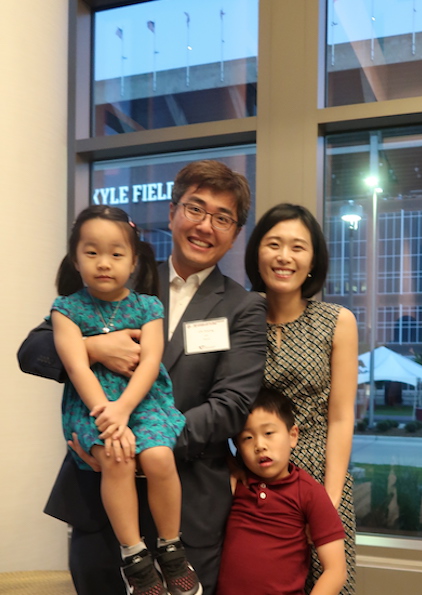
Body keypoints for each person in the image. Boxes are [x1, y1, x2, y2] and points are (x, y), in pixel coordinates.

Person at [17, 160, 267, 595]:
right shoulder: (121, 270)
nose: (205, 225)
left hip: (186, 503)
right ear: (172, 212)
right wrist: (94, 348)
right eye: (195, 208)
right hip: (98, 495)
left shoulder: (243, 309)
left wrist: (143, 444)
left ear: (235, 231)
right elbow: (34, 350)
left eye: (222, 217)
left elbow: (230, 407)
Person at [50, 205, 200, 595]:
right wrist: (107, 413)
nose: (104, 263)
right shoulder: (65, 309)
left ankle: (170, 548)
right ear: (75, 257)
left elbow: (151, 363)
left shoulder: (149, 306)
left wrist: (124, 408)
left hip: (142, 401)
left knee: (158, 456)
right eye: (92, 252)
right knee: (116, 454)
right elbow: (77, 366)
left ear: (133, 260)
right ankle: (135, 557)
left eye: (116, 253)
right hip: (92, 404)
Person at [244, 204, 358, 594]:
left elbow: (341, 418)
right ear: (257, 252)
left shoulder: (337, 321)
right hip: (256, 483)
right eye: (273, 244)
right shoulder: (239, 320)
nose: (284, 256)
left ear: (313, 260)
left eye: (298, 247)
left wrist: (326, 502)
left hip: (321, 479)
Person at [216, 388, 347, 595]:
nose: (260, 445)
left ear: (292, 435)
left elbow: (336, 571)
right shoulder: (236, 483)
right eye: (247, 438)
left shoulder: (310, 493)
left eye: (268, 433)